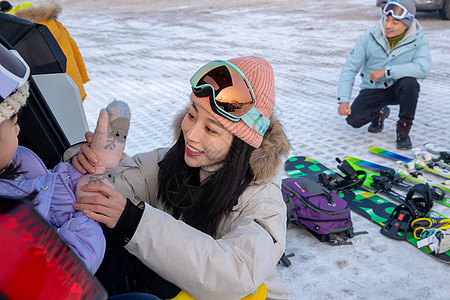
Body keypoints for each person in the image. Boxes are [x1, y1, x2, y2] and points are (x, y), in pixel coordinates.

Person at [72, 56, 291, 299]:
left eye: (211, 129)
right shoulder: (172, 162)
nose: (192, 134)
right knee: (113, 247)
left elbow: (235, 274)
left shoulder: (264, 201)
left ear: (240, 144)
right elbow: (116, 181)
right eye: (192, 115)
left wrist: (135, 221)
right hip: (181, 290)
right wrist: (89, 160)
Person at [0, 42, 104, 274]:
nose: (19, 131)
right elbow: (69, 267)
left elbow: (52, 185)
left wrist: (79, 172)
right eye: (14, 123)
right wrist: (85, 213)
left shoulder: (18, 162)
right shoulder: (8, 214)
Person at [337, 0, 431, 150]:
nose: (388, 26)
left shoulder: (418, 40)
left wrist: (387, 71)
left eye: (395, 22)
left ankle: (403, 131)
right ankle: (379, 113)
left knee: (410, 84)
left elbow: (423, 69)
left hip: (398, 89)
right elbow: (350, 68)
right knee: (353, 120)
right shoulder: (370, 36)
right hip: (373, 89)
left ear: (407, 24)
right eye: (387, 19)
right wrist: (343, 99)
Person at [13, 1, 90, 102]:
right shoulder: (56, 25)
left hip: (48, 90)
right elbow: (75, 52)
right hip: (72, 83)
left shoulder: (20, 33)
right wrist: (82, 76)